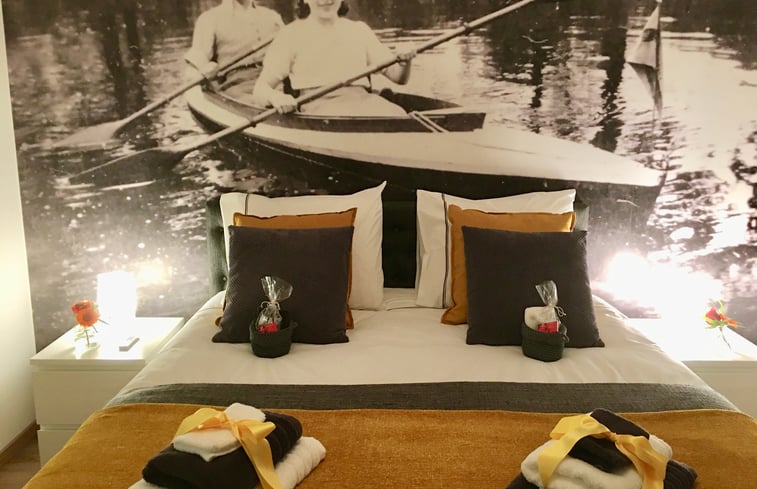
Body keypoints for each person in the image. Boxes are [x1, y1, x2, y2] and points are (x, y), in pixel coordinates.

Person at [252, 0, 415, 116]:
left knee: (398, 114)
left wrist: (405, 61)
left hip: (366, 105)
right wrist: (276, 97)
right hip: (322, 114)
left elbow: (398, 77)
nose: (326, 0)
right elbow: (260, 90)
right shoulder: (290, 35)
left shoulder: (359, 30)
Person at [185, 0, 284, 99]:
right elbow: (192, 70)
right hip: (239, 88)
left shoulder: (272, 16)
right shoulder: (209, 19)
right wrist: (203, 71)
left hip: (277, 82)